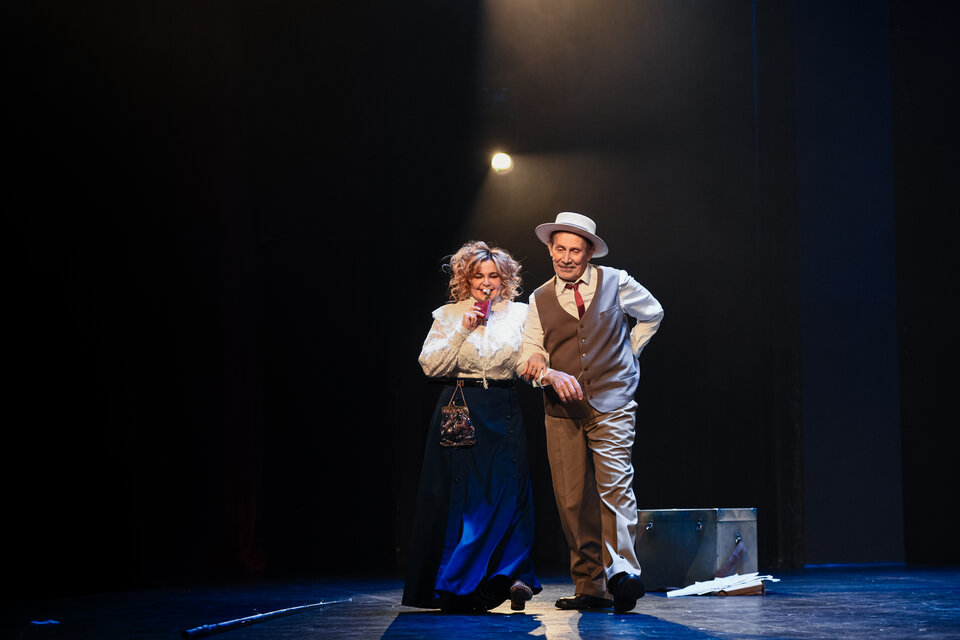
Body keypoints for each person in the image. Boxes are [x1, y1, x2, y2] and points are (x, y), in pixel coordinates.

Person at [518, 212, 664, 613]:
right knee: (571, 500)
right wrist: (543, 369)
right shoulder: (539, 299)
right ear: (550, 249)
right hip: (562, 409)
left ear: (589, 253)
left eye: (575, 251)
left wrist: (629, 354)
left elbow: (652, 313)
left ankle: (623, 575)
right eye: (560, 249)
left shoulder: (616, 282)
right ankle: (591, 585)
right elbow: (529, 352)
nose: (567, 258)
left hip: (613, 402)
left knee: (615, 487)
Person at [402, 240, 544, 613]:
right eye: (478, 276)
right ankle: (458, 584)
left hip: (502, 408)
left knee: (509, 490)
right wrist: (463, 330)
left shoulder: (521, 314)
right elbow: (431, 366)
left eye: (493, 276)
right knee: (463, 499)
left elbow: (527, 361)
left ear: (505, 280)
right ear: (465, 280)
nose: (485, 283)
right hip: (460, 408)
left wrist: (542, 367)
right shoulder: (449, 315)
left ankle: (511, 577)